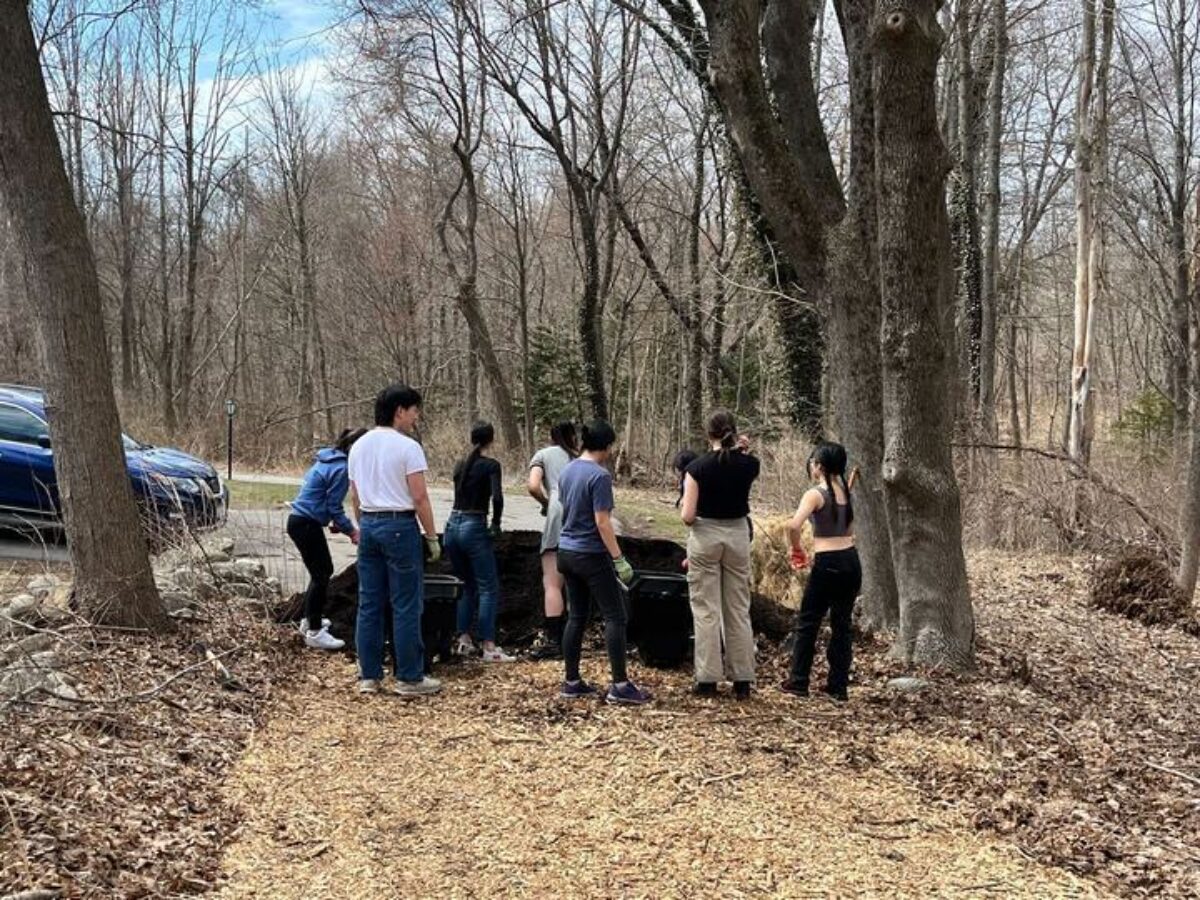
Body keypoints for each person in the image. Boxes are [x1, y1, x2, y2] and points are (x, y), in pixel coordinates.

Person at [348, 384, 442, 697]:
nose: (416, 418)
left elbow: (356, 496)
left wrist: (364, 527)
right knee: (405, 603)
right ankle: (409, 677)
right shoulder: (407, 447)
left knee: (370, 603)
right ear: (399, 411)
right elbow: (419, 497)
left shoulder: (358, 446)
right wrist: (430, 536)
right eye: (414, 411)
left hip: (370, 525)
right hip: (400, 525)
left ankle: (369, 676)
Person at [557, 420, 651, 705]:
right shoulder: (599, 476)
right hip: (590, 554)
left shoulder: (567, 470)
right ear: (606, 447)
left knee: (576, 616)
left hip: (566, 551)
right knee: (616, 616)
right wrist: (618, 558)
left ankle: (571, 681)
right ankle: (620, 685)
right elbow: (602, 522)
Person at [679, 411, 760, 699]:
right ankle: (742, 678)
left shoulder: (696, 468)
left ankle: (707, 678)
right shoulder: (750, 464)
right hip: (738, 533)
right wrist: (743, 450)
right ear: (734, 433)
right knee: (737, 606)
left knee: (705, 608)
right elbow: (737, 462)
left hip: (706, 535)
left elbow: (688, 516)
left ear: (707, 434)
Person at [780, 441, 861, 703]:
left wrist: (797, 550)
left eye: (814, 462)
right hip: (851, 560)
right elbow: (847, 529)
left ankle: (799, 681)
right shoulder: (847, 493)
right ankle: (838, 686)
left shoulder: (815, 494)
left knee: (808, 621)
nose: (812, 465)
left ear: (820, 466)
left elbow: (793, 525)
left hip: (827, 561)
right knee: (842, 625)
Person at [287, 427, 367, 651]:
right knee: (322, 573)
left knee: (320, 572)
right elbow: (334, 506)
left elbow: (320, 499)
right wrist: (352, 531)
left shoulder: (327, 460)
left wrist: (330, 520)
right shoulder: (342, 469)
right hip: (305, 523)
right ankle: (314, 632)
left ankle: (309, 620)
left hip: (301, 520)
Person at [444, 421, 515, 663]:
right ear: (491, 440)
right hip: (474, 526)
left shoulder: (460, 464)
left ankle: (463, 639)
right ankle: (489, 645)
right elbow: (497, 497)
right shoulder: (491, 465)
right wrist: (495, 522)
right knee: (488, 587)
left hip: (452, 525)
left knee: (466, 585)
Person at [526, 421, 579, 660]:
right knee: (576, 581)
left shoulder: (544, 455)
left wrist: (546, 504)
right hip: (581, 514)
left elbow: (533, 486)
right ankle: (574, 636)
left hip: (557, 512)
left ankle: (555, 641)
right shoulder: (579, 459)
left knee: (552, 582)